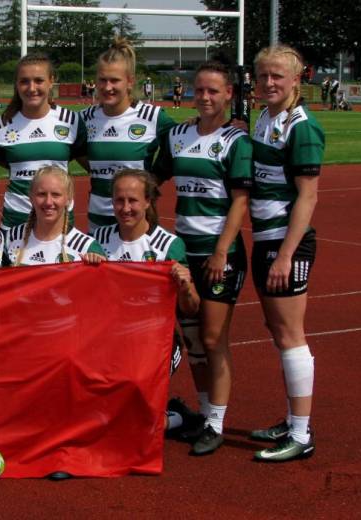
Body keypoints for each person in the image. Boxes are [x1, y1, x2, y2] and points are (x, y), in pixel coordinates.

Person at [153, 61, 253, 456]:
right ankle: (204, 413)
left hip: (219, 254)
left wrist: (221, 250)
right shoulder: (178, 135)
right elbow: (152, 180)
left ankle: (217, 424)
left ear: (229, 94)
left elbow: (240, 202)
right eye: (199, 90)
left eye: (213, 91)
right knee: (193, 341)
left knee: (213, 338)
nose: (205, 97)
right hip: (183, 252)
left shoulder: (236, 140)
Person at [247, 45, 324, 462]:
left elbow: (308, 197)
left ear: (297, 79)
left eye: (278, 76)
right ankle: (294, 419)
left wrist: (285, 255)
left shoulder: (302, 127)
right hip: (266, 239)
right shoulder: (264, 117)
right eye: (263, 76)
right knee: (278, 331)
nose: (269, 82)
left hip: (285, 243)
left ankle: (300, 433)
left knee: (291, 335)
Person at [91, 168, 202, 434]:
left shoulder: (167, 245)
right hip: (112, 342)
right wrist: (88, 263)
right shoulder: (98, 240)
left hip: (157, 344)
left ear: (148, 202)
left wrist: (185, 286)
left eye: (133, 200)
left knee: (137, 426)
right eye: (119, 200)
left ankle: (178, 417)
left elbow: (191, 308)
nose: (125, 208)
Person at [80, 37, 175, 233]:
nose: (107, 87)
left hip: (138, 223)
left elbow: (183, 143)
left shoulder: (153, 117)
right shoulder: (84, 118)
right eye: (102, 80)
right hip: (98, 223)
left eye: (115, 80)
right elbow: (68, 145)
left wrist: (154, 179)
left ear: (130, 81)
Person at [0, 53, 87, 231]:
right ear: (16, 84)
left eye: (39, 81)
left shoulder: (70, 121)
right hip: (16, 222)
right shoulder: (1, 125)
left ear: (51, 81)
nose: (31, 88)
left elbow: (84, 160)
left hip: (60, 221)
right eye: (24, 81)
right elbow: (0, 161)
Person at [3, 166, 104, 266]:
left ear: (68, 199)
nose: (48, 202)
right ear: (31, 197)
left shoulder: (86, 247)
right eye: (41, 194)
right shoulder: (12, 237)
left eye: (56, 194)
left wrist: (97, 264)